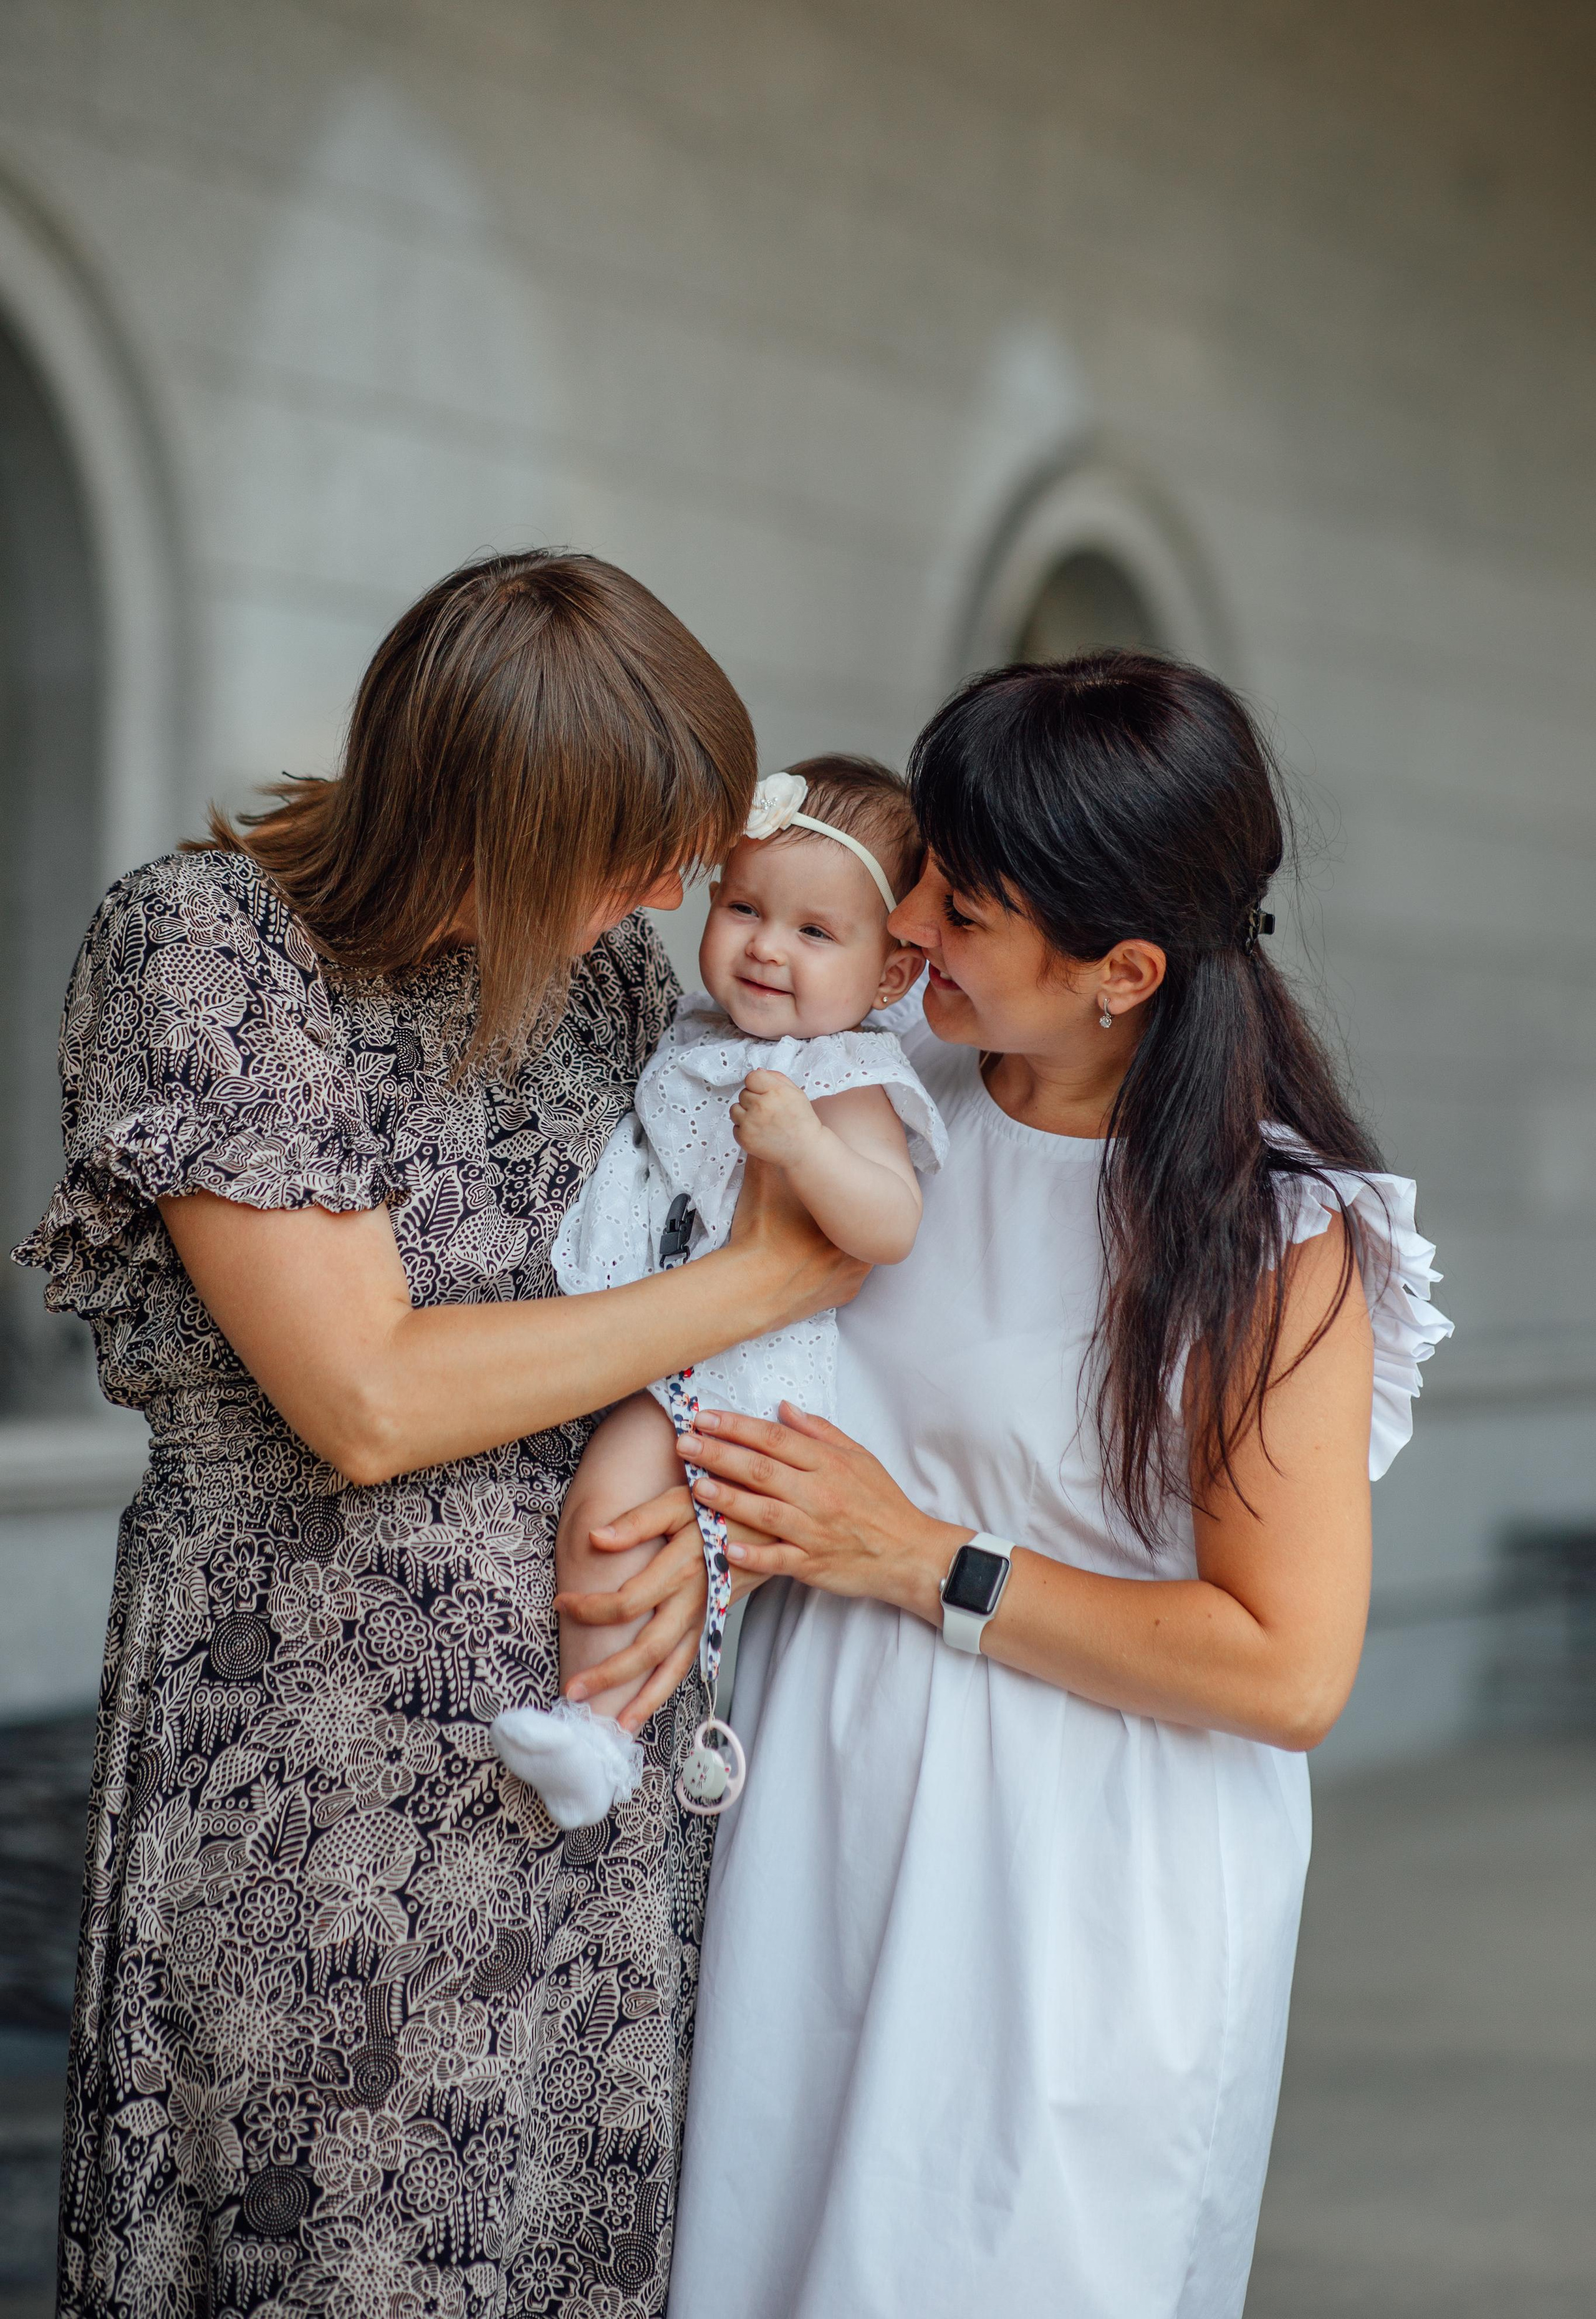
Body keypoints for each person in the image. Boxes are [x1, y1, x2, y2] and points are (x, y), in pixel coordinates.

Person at [14, 550, 862, 2319]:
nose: (666, 890)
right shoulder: (209, 950)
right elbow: (369, 1397)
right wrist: (767, 1283)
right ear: (502, 805)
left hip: (595, 1772)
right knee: (331, 2247)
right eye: (631, 846)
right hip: (313, 1766)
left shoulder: (614, 987)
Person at [661, 652, 1452, 2319]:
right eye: (932, 868)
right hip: (815, 1796)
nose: (916, 918)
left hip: (1075, 1875)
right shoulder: (866, 1096)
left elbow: (1286, 1666)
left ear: (1124, 971)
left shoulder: (1275, 1233)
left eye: (972, 900)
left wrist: (922, 1557)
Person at [493, 758, 944, 1827]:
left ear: (889, 978)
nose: (767, 947)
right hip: (667, 1316)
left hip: (737, 1359)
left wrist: (804, 1145)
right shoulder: (699, 1027)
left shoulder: (844, 1071)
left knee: (610, 1512)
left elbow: (889, 1223)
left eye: (816, 933)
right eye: (745, 908)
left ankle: (598, 1733)